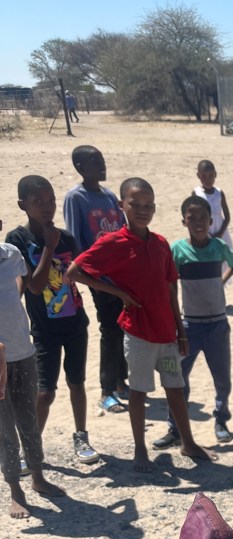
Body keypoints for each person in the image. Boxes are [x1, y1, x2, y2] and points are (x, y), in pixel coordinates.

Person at [67, 177, 215, 472]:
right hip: (139, 335)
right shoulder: (113, 243)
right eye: (136, 205)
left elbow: (171, 288)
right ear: (121, 205)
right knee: (138, 391)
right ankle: (139, 450)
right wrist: (118, 292)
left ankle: (187, 441)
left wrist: (180, 331)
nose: (143, 210)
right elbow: (74, 271)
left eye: (149, 205)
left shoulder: (160, 243)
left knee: (175, 388)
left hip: (167, 336)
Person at [5, 175, 98, 466]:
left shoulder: (66, 238)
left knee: (77, 383)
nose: (48, 207)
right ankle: (31, 447)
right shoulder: (17, 240)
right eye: (39, 202)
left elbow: (80, 273)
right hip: (43, 330)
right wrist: (48, 247)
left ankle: (81, 435)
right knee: (44, 392)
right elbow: (33, 286)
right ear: (23, 205)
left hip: (74, 324)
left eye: (51, 201)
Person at [153, 195, 233, 450]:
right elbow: (170, 284)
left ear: (211, 220)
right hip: (190, 324)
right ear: (184, 221)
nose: (198, 222)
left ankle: (221, 421)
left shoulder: (218, 246)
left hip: (217, 324)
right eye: (192, 218)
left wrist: (220, 282)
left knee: (222, 377)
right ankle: (176, 428)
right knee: (178, 377)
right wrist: (176, 322)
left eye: (203, 217)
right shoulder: (178, 250)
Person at [0, 228, 65, 518]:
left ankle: (38, 477)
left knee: (29, 420)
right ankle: (16, 490)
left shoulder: (12, 255)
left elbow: (20, 285)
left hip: (23, 353)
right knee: (4, 430)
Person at [63, 145, 129, 413]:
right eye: (95, 162)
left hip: (121, 274)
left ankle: (121, 380)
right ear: (80, 167)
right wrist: (92, 278)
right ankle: (107, 390)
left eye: (102, 160)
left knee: (123, 326)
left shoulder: (110, 195)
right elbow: (76, 241)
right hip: (100, 278)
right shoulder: (75, 198)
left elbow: (123, 231)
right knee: (110, 330)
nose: (103, 165)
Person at [194, 159, 233, 277]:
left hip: (220, 231)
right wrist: (205, 234)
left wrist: (221, 233)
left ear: (215, 174)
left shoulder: (219, 193)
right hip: (204, 231)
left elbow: (227, 216)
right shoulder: (197, 193)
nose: (208, 179)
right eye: (204, 176)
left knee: (222, 259)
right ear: (198, 176)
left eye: (211, 176)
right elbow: (194, 216)